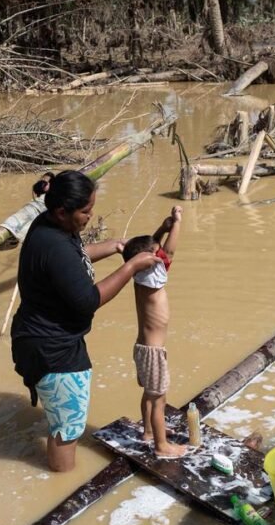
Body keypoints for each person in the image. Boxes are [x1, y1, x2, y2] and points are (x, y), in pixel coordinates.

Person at [11, 170, 156, 472]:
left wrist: (115, 247)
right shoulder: (53, 245)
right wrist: (130, 267)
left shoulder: (51, 225)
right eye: (86, 211)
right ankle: (60, 484)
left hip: (39, 337)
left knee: (62, 419)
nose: (91, 215)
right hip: (53, 348)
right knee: (68, 430)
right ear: (62, 211)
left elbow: (74, 257)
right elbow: (89, 300)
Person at [121, 206, 186, 458]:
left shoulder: (143, 274)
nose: (159, 255)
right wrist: (178, 222)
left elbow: (155, 247)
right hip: (153, 351)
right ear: (149, 260)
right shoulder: (151, 273)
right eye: (154, 254)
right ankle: (162, 446)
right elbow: (169, 250)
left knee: (150, 394)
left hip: (144, 347)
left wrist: (162, 227)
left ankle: (149, 431)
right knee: (158, 399)